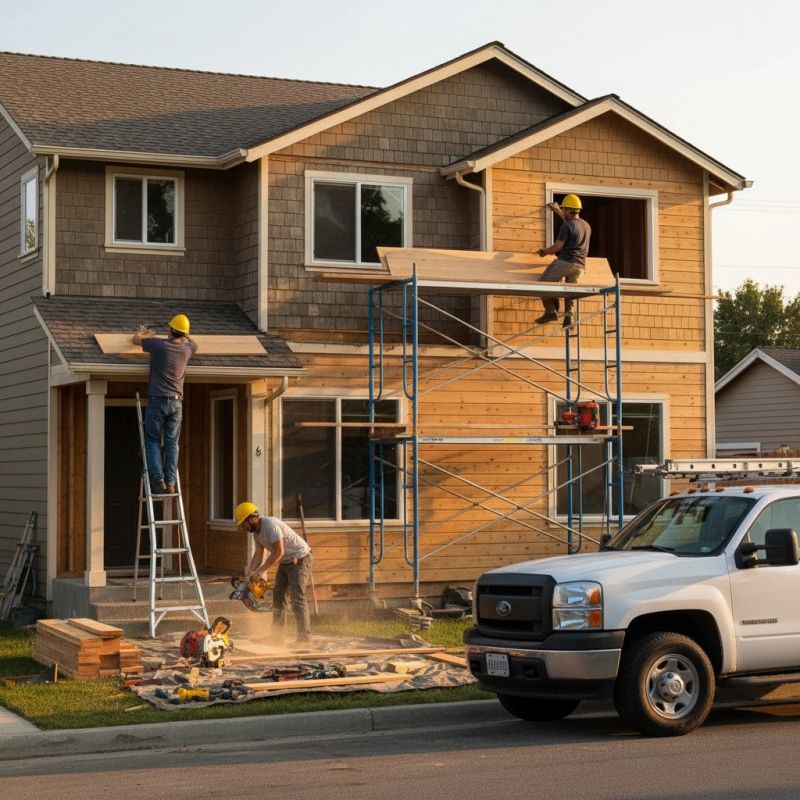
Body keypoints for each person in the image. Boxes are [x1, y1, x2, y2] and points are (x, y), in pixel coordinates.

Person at [133, 314, 198, 495]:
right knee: (172, 443)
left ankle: (158, 480)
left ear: (170, 330)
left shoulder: (158, 345)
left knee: (153, 440)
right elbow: (195, 344)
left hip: (157, 400)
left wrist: (143, 332)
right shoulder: (187, 349)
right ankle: (170, 482)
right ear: (184, 334)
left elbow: (136, 340)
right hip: (176, 402)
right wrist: (186, 335)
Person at [235, 502, 313, 643]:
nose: (244, 527)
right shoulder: (256, 533)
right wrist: (250, 573)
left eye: (244, 523)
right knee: (278, 597)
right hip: (285, 561)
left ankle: (304, 637)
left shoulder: (271, 525)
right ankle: (276, 636)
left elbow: (278, 552)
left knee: (297, 598)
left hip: (300, 559)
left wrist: (261, 571)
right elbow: (259, 554)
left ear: (251, 518)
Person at [536, 194, 592, 327]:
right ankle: (569, 317)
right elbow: (571, 225)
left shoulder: (566, 227)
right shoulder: (586, 225)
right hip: (580, 267)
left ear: (568, 210)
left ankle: (551, 311)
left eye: (564, 210)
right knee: (569, 291)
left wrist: (544, 251)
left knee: (543, 284)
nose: (563, 212)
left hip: (566, 262)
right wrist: (557, 211)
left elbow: (558, 246)